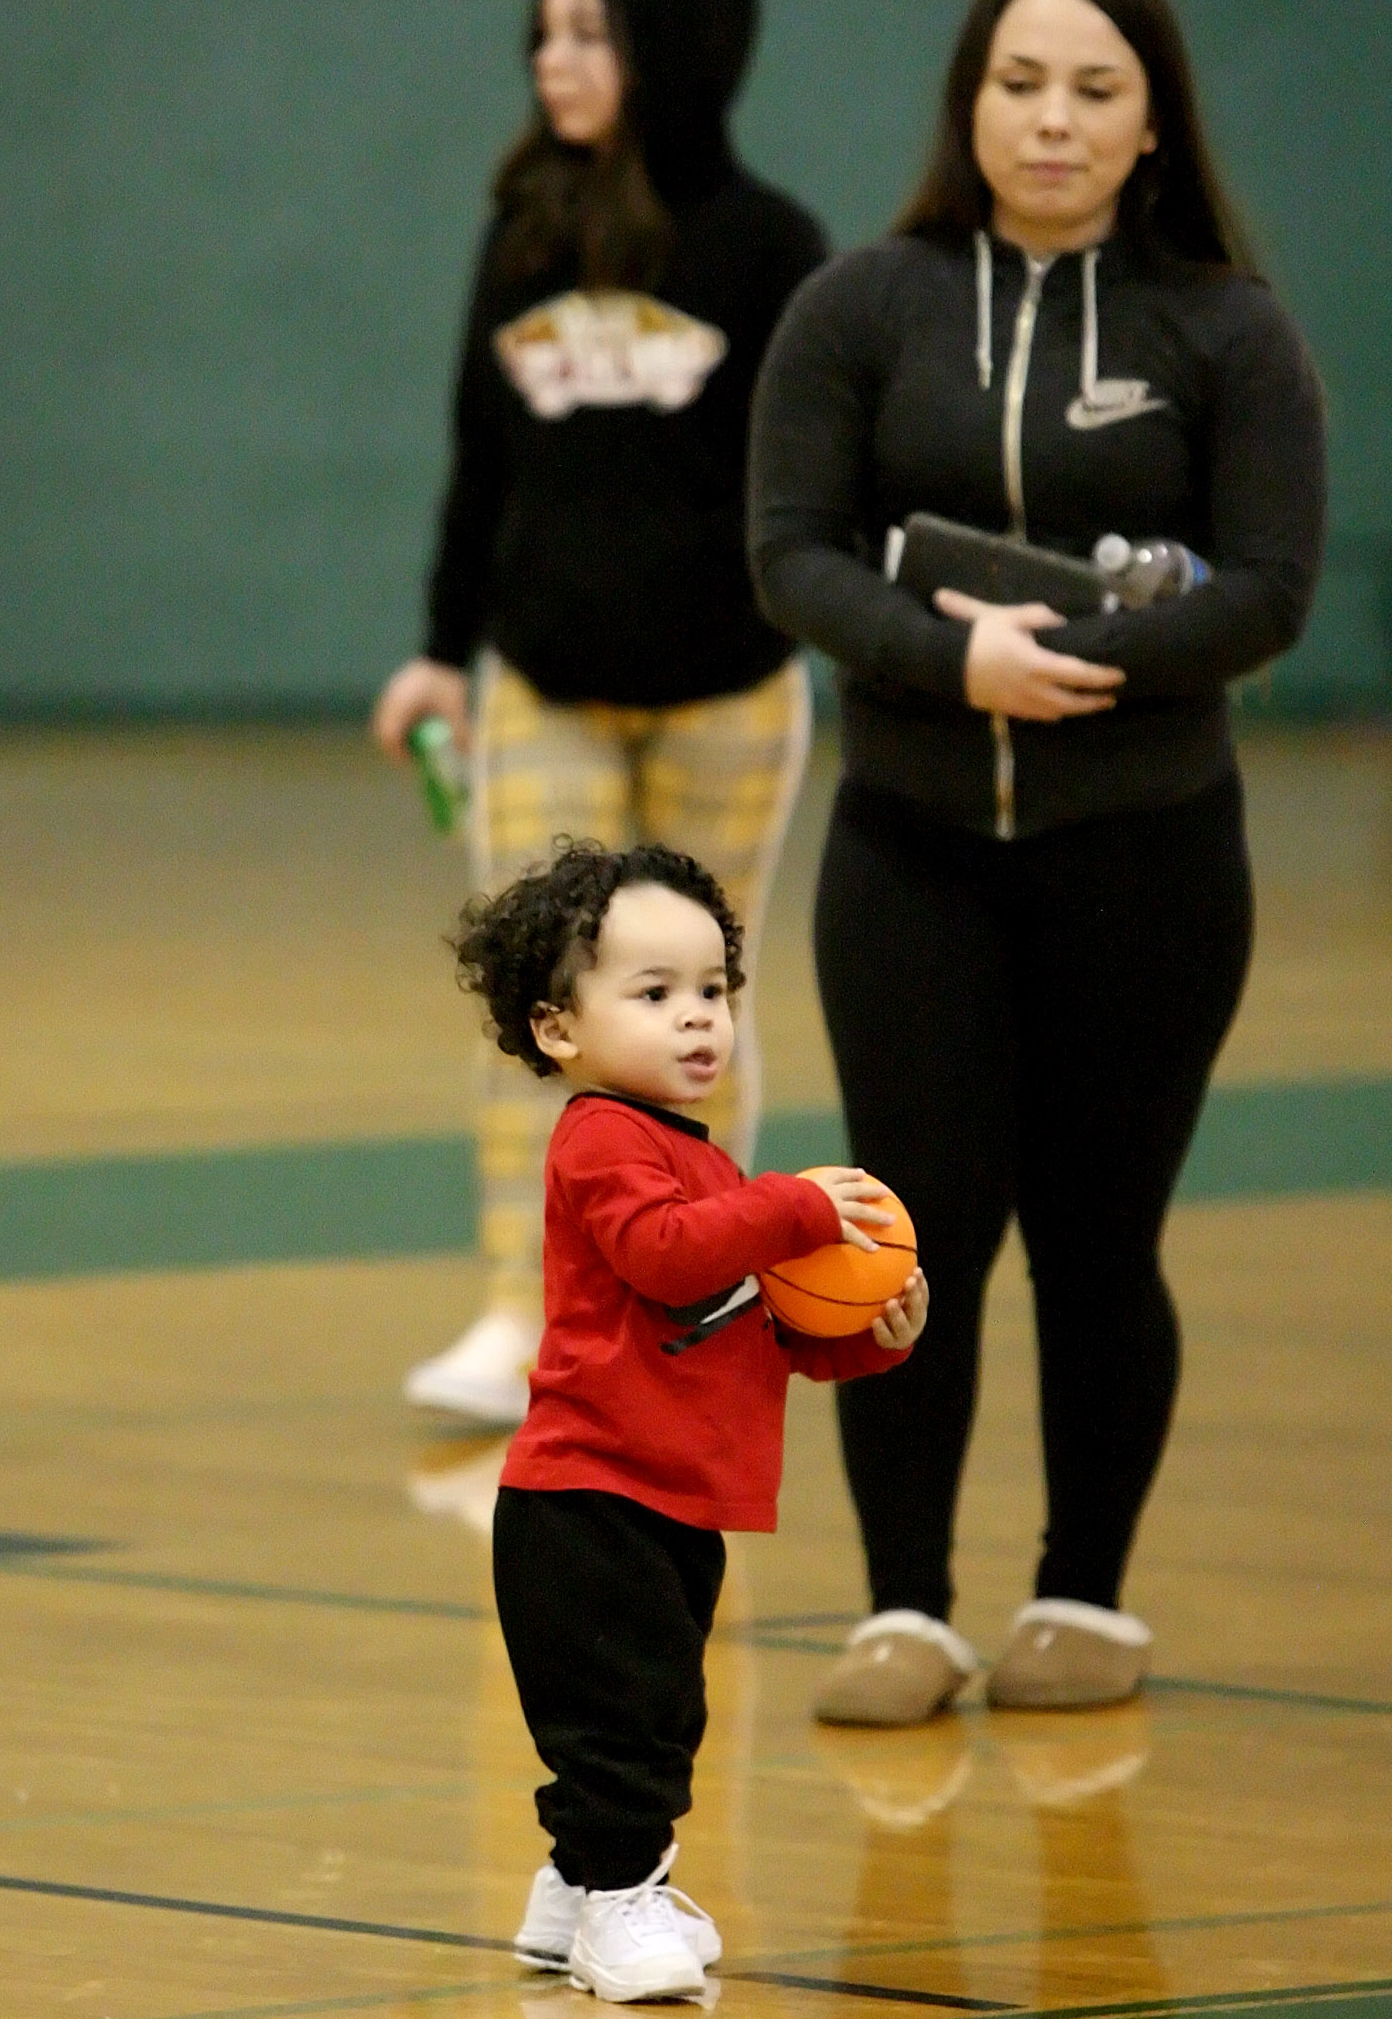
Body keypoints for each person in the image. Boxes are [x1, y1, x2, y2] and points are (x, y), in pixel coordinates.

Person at [747, 0, 1326, 1725]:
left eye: (1094, 89)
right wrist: (949, 658)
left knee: (1099, 1235)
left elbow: (1273, 588)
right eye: (1021, 85)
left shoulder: (1223, 326)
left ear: (1153, 123)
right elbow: (793, 554)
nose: (1054, 121)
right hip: (911, 851)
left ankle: (1085, 1595)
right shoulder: (864, 306)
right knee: (899, 1232)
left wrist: (1081, 658)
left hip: (1147, 856)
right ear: (971, 104)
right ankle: (903, 1610)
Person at [375, 0, 828, 1425]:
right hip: (544, 684)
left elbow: (807, 477)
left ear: (675, 46)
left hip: (727, 691)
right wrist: (441, 653)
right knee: (549, 997)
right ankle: (530, 1313)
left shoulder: (769, 245)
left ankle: (694, 1299)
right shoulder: (526, 227)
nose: (553, 60)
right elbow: (476, 455)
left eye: (589, 31)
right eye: (544, 32)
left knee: (693, 1007)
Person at [453, 839, 927, 1999]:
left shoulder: (703, 1167)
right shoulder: (605, 1141)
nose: (699, 1020)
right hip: (585, 1498)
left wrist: (866, 1337)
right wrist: (795, 1204)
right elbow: (671, 1264)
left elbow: (744, 1324)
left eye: (713, 990)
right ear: (558, 1029)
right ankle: (621, 1910)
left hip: (670, 1497)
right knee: (625, 1726)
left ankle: (573, 1895)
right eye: (654, 995)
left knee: (654, 1709)